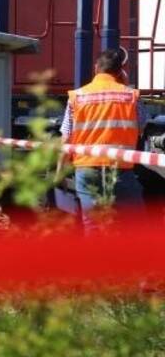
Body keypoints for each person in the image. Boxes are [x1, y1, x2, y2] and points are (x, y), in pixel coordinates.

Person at [60, 48, 146, 228]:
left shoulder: (77, 96)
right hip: (121, 169)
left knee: (93, 225)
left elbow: (66, 139)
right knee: (134, 225)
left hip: (87, 168)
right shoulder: (131, 96)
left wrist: (60, 172)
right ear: (120, 71)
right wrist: (126, 85)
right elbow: (141, 129)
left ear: (95, 68)